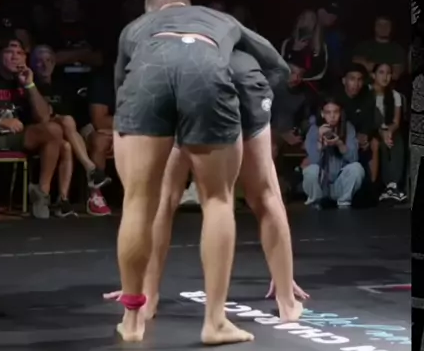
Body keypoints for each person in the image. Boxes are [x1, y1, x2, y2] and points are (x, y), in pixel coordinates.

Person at [112, 0, 290, 345]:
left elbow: (121, 85)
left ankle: (132, 318)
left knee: (139, 200)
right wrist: (257, 110)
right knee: (218, 199)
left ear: (151, 7)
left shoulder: (137, 26)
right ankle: (215, 322)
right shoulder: (217, 18)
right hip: (205, 72)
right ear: (187, 3)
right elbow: (277, 64)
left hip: (147, 79)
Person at [105, 48, 308, 323]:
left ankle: (147, 297)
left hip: (188, 80)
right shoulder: (229, 35)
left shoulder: (148, 40)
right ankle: (286, 299)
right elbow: (278, 66)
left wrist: (134, 283)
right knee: (263, 194)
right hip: (223, 77)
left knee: (164, 198)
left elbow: (125, 81)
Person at [0, 38, 63, 221]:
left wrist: (29, 85)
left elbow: (44, 118)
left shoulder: (29, 78)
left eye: (20, 53)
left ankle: (41, 194)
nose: (15, 57)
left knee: (53, 130)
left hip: (19, 134)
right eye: (9, 52)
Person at [31, 45, 108, 216]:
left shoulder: (61, 85)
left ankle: (63, 200)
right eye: (39, 61)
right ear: (32, 64)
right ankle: (90, 168)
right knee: (66, 121)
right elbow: (40, 116)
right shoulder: (30, 84)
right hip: (38, 132)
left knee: (66, 145)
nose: (45, 65)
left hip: (61, 133)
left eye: (49, 60)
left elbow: (66, 111)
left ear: (54, 62)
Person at [302, 96, 365, 209]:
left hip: (339, 184)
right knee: (310, 170)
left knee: (357, 168)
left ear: (340, 113)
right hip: (321, 184)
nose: (332, 116)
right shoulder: (314, 129)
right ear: (322, 114)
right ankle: (315, 203)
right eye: (328, 112)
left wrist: (339, 144)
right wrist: (320, 142)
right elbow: (313, 160)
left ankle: (344, 202)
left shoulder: (348, 128)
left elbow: (354, 158)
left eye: (336, 112)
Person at [335, 63, 380, 184]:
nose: (356, 84)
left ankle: (371, 186)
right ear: (344, 80)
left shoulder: (367, 95)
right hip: (341, 137)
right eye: (352, 79)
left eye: (359, 80)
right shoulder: (336, 97)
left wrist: (365, 135)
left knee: (372, 145)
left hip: (361, 137)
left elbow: (369, 119)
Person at [371, 62, 407, 202]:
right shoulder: (368, 93)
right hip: (372, 129)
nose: (385, 76)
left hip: (388, 130)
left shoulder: (394, 95)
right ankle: (387, 185)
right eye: (381, 72)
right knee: (381, 141)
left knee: (395, 139)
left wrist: (389, 132)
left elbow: (396, 122)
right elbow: (368, 120)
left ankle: (392, 186)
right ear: (373, 75)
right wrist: (382, 132)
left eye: (388, 73)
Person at [80, 69, 114, 216]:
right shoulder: (103, 80)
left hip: (128, 129)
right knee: (100, 140)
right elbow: (99, 121)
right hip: (94, 128)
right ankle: (95, 194)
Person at [353, 15, 407, 82]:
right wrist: (386, 68)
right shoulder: (363, 46)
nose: (383, 28)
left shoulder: (398, 49)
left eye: (387, 25)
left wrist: (369, 65)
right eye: (379, 25)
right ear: (374, 27)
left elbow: (395, 74)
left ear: (391, 28)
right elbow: (355, 65)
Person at [281, 10, 328, 84]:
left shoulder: (320, 45)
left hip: (308, 87)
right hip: (288, 84)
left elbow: (320, 72)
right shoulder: (287, 42)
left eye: (311, 18)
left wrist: (300, 75)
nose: (306, 21)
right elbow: (281, 65)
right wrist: (295, 49)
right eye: (303, 17)